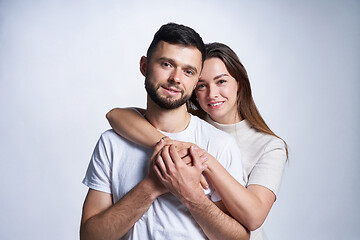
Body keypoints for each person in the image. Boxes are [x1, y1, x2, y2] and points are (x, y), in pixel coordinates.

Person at [80, 23, 250, 240]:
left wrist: (191, 195)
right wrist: (151, 187)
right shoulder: (111, 142)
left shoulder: (219, 144)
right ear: (144, 65)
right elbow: (89, 237)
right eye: (167, 64)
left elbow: (239, 238)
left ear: (195, 80)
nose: (176, 78)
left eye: (188, 71)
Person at [106, 42, 288, 240]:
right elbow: (116, 116)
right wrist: (170, 143)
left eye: (221, 82)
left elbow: (253, 217)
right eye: (202, 85)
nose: (212, 94)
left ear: (240, 84)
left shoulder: (268, 146)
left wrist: (202, 157)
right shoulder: (188, 124)